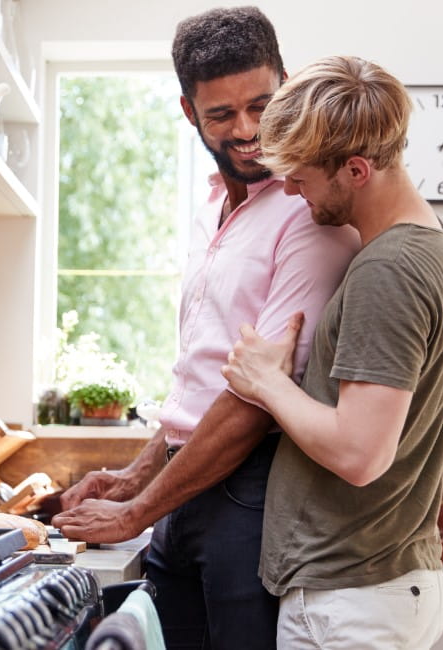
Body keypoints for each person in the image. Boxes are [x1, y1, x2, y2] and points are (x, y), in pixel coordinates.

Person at [52, 8, 358, 650]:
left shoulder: (310, 214)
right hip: (185, 488)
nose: (247, 131)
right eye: (221, 115)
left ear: (286, 81)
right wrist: (136, 476)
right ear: (190, 113)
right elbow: (203, 375)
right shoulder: (211, 209)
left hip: (252, 493)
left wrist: (137, 509)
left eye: (261, 105)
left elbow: (255, 398)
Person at [221, 55, 443, 648]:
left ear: (356, 170)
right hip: (368, 591)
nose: (288, 189)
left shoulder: (390, 270)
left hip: (352, 604)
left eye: (302, 178)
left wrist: (267, 383)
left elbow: (362, 454)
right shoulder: (428, 245)